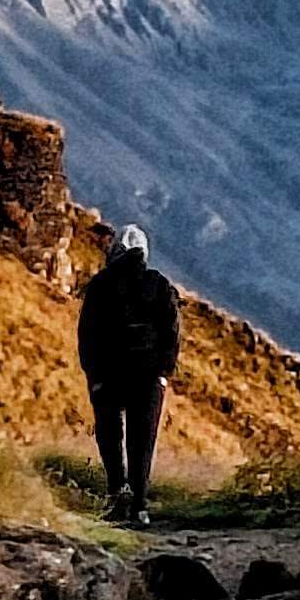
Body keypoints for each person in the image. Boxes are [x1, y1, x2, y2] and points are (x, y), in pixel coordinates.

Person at [77, 224, 181, 527]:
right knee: (142, 440)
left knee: (110, 438)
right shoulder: (158, 284)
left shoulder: (100, 286)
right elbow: (172, 332)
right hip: (148, 377)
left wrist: (93, 374)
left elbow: (87, 334)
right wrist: (164, 372)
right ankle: (139, 505)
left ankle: (116, 497)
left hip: (108, 374)